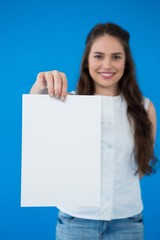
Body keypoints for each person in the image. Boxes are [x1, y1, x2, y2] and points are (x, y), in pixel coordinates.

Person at [30, 22, 157, 240]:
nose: (107, 64)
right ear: (87, 60)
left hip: (128, 222)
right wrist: (42, 84)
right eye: (99, 56)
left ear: (126, 62)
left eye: (116, 56)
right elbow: (37, 118)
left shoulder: (145, 108)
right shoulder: (65, 102)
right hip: (75, 222)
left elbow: (141, 166)